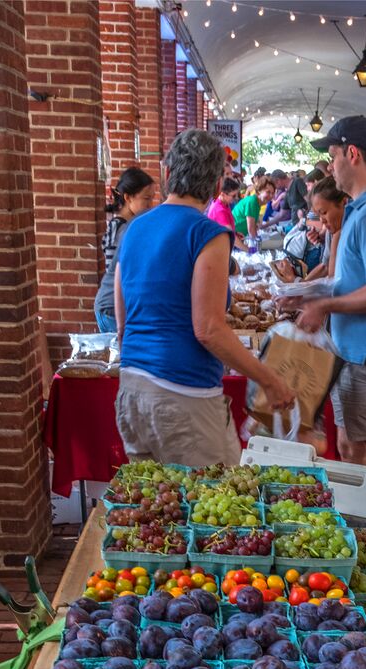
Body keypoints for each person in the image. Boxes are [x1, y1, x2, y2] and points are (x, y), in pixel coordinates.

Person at [114, 128, 294, 465]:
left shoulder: (135, 228)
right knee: (213, 507)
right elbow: (208, 329)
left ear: (168, 175)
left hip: (132, 390)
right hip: (184, 396)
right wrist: (270, 380)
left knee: (156, 507)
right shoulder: (208, 233)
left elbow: (123, 326)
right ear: (215, 187)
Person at [294, 116, 366, 465]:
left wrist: (325, 306)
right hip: (355, 354)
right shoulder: (363, 208)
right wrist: (307, 292)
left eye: (333, 156)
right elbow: (355, 279)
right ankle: (359, 517)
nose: (331, 167)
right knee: (349, 446)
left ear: (353, 154)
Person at [94, 167, 155, 333]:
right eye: (146, 199)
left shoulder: (131, 225)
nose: (150, 206)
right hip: (111, 308)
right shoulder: (120, 229)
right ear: (128, 197)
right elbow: (116, 271)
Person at [232, 176, 274, 250]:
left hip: (238, 238)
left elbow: (254, 227)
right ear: (259, 191)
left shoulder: (257, 203)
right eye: (268, 192)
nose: (271, 196)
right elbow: (251, 230)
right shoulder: (252, 202)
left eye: (272, 193)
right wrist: (256, 248)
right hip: (233, 239)